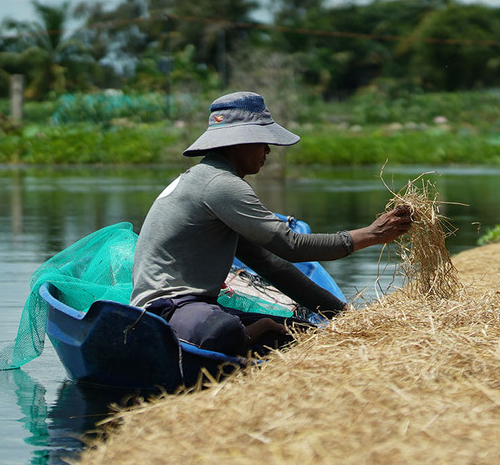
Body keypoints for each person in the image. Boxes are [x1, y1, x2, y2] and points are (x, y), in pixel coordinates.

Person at [131, 91, 412, 356]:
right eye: (261, 140)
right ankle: (252, 332)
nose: (268, 149)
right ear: (238, 143)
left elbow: (271, 264)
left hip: (196, 307)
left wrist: (342, 313)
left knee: (303, 334)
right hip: (167, 309)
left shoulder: (208, 179)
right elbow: (291, 245)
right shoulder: (221, 184)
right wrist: (371, 235)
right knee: (223, 331)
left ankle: (253, 334)